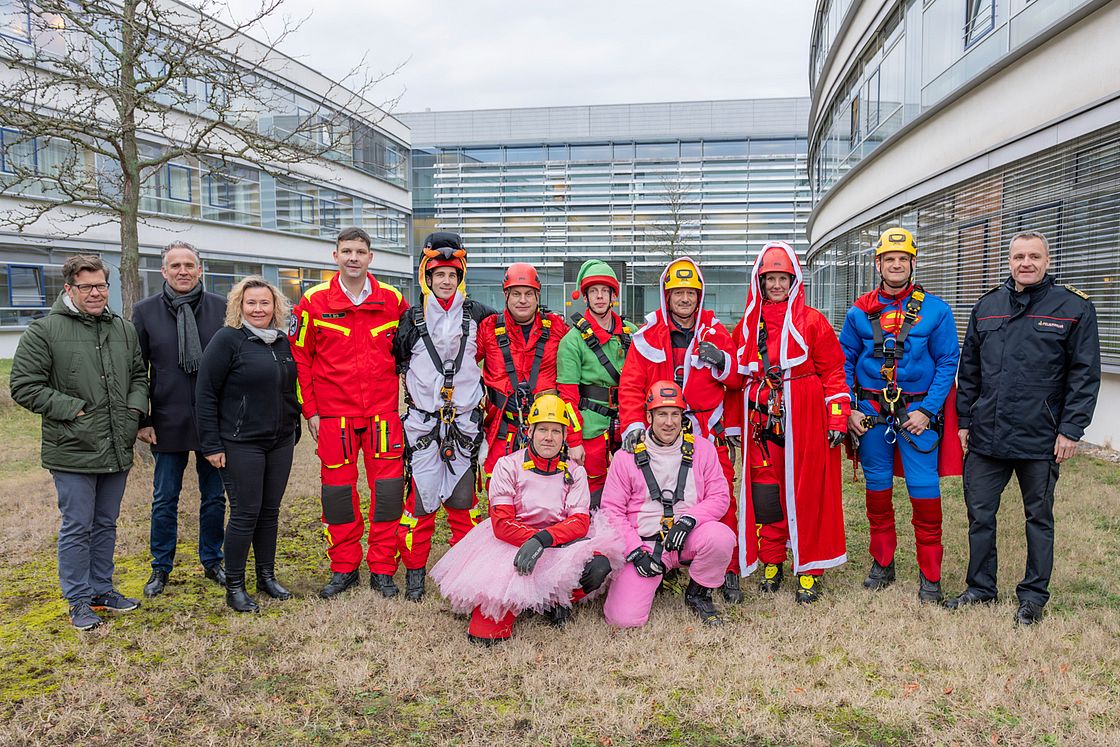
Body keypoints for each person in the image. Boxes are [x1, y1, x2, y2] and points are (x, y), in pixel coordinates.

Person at [948, 231, 1100, 625]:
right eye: (1019, 256)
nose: (1026, 263)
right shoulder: (987, 306)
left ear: (1047, 261)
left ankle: (1033, 597)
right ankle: (980, 588)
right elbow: (970, 372)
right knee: (980, 515)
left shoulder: (1074, 308)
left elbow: (1084, 376)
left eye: (1034, 256)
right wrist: (965, 421)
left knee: (1038, 518)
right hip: (987, 436)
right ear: (1009, 260)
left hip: (1041, 437)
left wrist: (1070, 430)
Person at [10, 255, 148, 630]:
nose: (95, 293)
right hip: (72, 447)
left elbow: (138, 374)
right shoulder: (44, 331)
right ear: (68, 289)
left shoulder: (122, 328)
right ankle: (78, 600)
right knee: (78, 525)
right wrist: (74, 410)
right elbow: (24, 386)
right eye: (86, 287)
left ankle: (102, 589)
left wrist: (135, 410)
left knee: (106, 523)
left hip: (116, 443)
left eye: (101, 285)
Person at [430, 394, 621, 645]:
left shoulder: (575, 472)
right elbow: (501, 522)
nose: (549, 437)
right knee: (485, 637)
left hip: (556, 544)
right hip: (510, 545)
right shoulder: (508, 466)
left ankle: (555, 601)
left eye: (556, 431)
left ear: (565, 436)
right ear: (529, 431)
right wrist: (532, 540)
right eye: (542, 429)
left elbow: (579, 522)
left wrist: (543, 539)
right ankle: (525, 601)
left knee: (598, 567)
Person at [840, 228, 960, 603]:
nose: (896, 264)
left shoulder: (937, 311)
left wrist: (928, 410)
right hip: (872, 412)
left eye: (903, 259)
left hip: (917, 415)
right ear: (878, 264)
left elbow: (947, 362)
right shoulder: (859, 312)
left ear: (912, 263)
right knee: (877, 491)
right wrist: (848, 408)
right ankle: (882, 563)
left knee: (924, 492)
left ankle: (931, 576)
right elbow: (841, 362)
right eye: (889, 259)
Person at [290, 226, 410, 599]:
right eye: (347, 251)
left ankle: (382, 568)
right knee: (338, 495)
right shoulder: (312, 301)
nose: (353, 257)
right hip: (334, 418)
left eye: (360, 251)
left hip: (382, 416)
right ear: (335, 256)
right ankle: (344, 568)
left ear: (370, 257)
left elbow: (412, 352)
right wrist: (310, 410)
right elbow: (300, 360)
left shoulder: (393, 300)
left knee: (388, 494)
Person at [726, 242, 849, 603]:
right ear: (760, 282)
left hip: (806, 418)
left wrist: (837, 417)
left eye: (783, 278)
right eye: (770, 279)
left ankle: (809, 568)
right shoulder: (748, 325)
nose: (777, 285)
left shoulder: (813, 321)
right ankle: (773, 559)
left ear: (793, 280)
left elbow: (834, 373)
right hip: (761, 423)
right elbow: (736, 378)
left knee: (807, 491)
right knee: (766, 491)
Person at [616, 257, 741, 602]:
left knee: (721, 496)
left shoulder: (716, 333)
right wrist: (633, 425)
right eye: (678, 293)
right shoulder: (648, 335)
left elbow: (736, 381)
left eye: (690, 292)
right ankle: (656, 561)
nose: (684, 299)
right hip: (659, 430)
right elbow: (630, 385)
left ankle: (726, 569)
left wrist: (722, 361)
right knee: (653, 498)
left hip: (704, 429)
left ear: (699, 296)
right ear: (666, 296)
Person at [393, 232, 494, 602]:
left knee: (463, 507)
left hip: (465, 426)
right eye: (439, 274)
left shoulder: (480, 315)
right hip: (423, 424)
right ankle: (415, 578)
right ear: (427, 277)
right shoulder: (410, 319)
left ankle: (460, 578)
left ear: (461, 276)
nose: (446, 281)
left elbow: (506, 347)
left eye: (453, 274)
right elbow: (394, 364)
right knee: (419, 507)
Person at [195, 277, 301, 613]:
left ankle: (266, 577)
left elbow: (288, 388)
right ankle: (235, 585)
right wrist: (211, 445)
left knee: (270, 512)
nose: (258, 309)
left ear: (275, 307)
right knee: (245, 513)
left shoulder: (282, 342)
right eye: (251, 303)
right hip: (241, 442)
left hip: (280, 440)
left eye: (264, 303)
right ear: (239, 307)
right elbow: (205, 393)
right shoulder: (227, 340)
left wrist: (293, 423)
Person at [132, 241, 227, 598]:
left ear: (200, 270)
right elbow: (136, 369)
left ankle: (212, 560)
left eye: (190, 265)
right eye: (176, 266)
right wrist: (143, 419)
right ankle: (161, 567)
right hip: (166, 419)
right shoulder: (144, 312)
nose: (183, 271)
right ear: (164, 271)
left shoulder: (221, 308)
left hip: (212, 420)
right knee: (164, 497)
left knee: (215, 497)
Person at [601, 380, 735, 627]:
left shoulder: (703, 449)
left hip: (688, 537)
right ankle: (649, 579)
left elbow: (720, 497)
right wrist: (635, 552)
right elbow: (612, 510)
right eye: (662, 414)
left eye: (675, 414)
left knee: (721, 537)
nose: (669, 422)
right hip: (646, 545)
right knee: (623, 620)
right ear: (649, 416)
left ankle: (698, 593)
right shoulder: (625, 457)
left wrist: (689, 519)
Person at [477, 262, 569, 486]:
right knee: (501, 492)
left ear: (537, 297)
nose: (523, 300)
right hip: (503, 429)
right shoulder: (488, 328)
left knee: (546, 494)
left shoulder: (557, 327)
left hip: (546, 431)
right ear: (505, 295)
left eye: (529, 294)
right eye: (516, 294)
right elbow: (462, 364)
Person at [557, 260, 636, 508]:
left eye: (605, 291)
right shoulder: (572, 341)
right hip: (591, 426)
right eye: (593, 291)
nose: (600, 296)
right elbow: (567, 397)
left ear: (614, 295)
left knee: (633, 488)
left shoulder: (632, 333)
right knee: (592, 495)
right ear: (586, 296)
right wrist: (575, 441)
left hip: (627, 423)